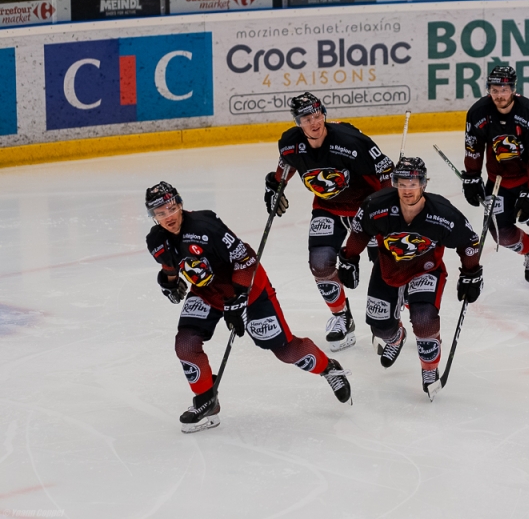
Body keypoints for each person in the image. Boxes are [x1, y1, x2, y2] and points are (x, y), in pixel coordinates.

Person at [145, 181, 351, 434]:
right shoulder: (156, 240)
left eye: (171, 208)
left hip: (250, 290)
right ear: (153, 216)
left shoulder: (205, 227)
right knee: (185, 344)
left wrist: (238, 298)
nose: (168, 217)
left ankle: (328, 368)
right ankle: (206, 403)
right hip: (208, 292)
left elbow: (247, 259)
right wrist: (168, 283)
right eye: (160, 212)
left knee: (284, 350)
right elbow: (169, 268)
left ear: (180, 205)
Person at [335, 157, 483, 394]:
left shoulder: (442, 213)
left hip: (425, 269)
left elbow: (469, 242)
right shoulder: (376, 205)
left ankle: (429, 367)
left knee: (424, 320)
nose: (407, 190)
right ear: (394, 183)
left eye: (413, 184)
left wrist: (471, 273)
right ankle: (396, 337)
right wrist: (349, 258)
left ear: (424, 184)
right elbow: (360, 232)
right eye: (402, 184)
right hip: (388, 269)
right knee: (381, 329)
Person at [264, 92, 394, 352]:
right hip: (327, 209)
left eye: (317, 115)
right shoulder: (290, 143)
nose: (314, 122)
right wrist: (274, 187)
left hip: (364, 210)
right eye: (306, 118)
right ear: (297, 122)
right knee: (320, 263)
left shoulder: (350, 141)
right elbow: (286, 165)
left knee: (385, 262)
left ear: (323, 113)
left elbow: (385, 169)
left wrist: (386, 209)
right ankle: (342, 317)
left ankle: (396, 309)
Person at [462, 65, 529, 308]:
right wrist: (472, 176)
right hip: (499, 180)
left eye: (504, 89)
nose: (499, 95)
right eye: (494, 89)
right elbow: (473, 148)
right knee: (502, 235)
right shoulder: (478, 112)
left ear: (513, 89)